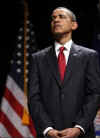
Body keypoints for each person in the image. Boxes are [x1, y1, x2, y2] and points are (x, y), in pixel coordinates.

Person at [28, 7, 100, 138]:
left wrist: (79, 127)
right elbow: (34, 98)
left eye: (61, 17)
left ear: (74, 25)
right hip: (49, 134)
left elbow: (94, 94)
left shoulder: (89, 56)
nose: (56, 20)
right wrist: (47, 129)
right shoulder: (37, 58)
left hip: (81, 134)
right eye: (53, 18)